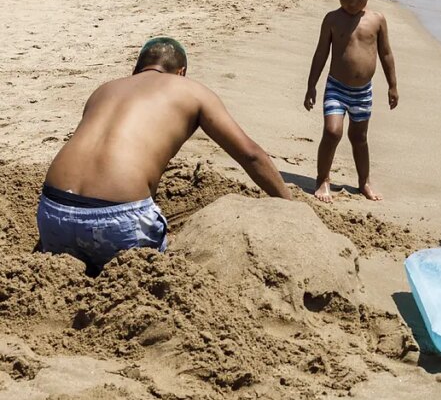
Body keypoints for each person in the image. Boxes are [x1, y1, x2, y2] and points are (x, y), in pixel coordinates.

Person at [38, 38, 292, 274]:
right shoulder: (191, 91)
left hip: (53, 215)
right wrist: (290, 206)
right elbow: (250, 155)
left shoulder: (103, 90)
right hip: (117, 224)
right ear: (181, 72)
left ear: (137, 69)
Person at [304, 0, 398, 202]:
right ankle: (322, 178)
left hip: (363, 92)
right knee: (332, 131)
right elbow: (321, 53)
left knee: (359, 138)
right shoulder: (332, 19)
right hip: (336, 87)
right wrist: (311, 85)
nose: (352, 3)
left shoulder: (377, 20)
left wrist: (393, 85)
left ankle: (364, 181)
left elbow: (386, 53)